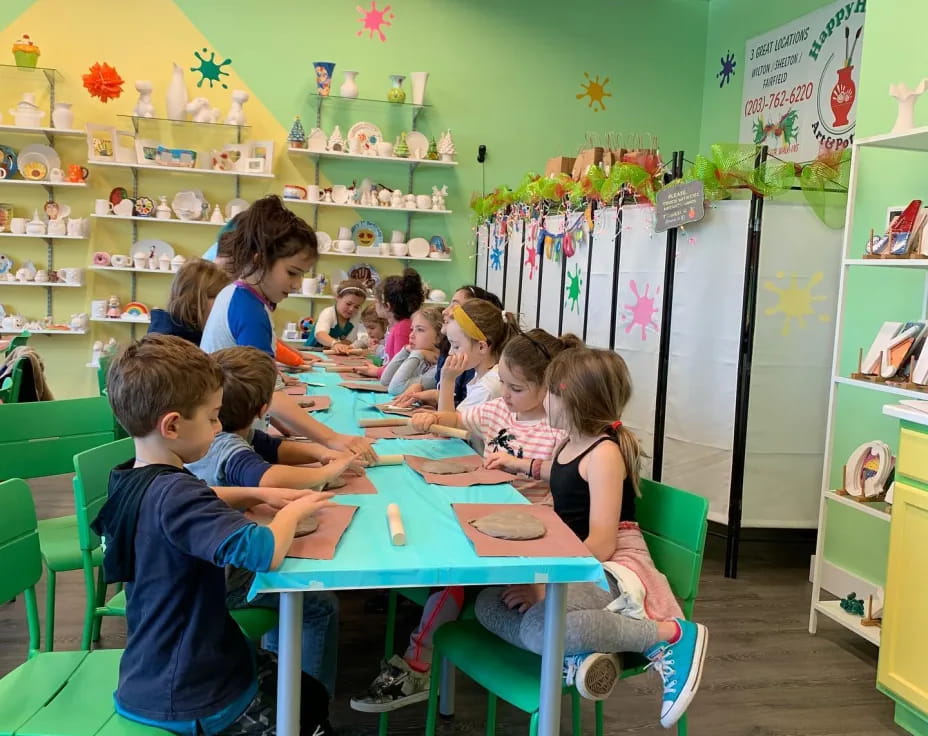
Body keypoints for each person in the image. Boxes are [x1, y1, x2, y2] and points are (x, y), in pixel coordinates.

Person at [91, 334, 335, 734]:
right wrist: (293, 511)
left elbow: (195, 497)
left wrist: (258, 492)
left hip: (150, 670)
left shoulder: (132, 476)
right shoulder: (178, 493)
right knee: (307, 710)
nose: (219, 426)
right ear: (172, 425)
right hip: (190, 692)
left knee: (302, 689)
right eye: (212, 417)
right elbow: (263, 552)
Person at [476, 348, 709, 728]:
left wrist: (545, 586)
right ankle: (579, 655)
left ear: (572, 399)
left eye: (548, 392)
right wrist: (521, 465)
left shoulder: (604, 454)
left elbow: (602, 543)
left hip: (609, 564)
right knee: (488, 601)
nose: (541, 400)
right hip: (575, 556)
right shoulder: (570, 440)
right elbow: (563, 475)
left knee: (539, 626)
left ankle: (671, 635)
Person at [350, 329, 577, 713]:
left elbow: (570, 478)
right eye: (503, 383)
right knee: (436, 549)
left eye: (516, 388)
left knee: (452, 578)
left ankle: (417, 666)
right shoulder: (499, 411)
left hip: (526, 536)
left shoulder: (559, 427)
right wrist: (434, 413)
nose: (505, 394)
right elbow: (453, 417)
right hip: (479, 516)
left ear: (549, 387)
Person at [186, 346, 362, 696]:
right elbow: (265, 476)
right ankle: (305, 702)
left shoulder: (234, 434)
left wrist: (319, 452)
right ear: (264, 408)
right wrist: (328, 471)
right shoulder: (228, 448)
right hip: (221, 580)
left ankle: (277, 668)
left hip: (212, 561)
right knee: (319, 605)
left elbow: (274, 449)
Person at [199, 195, 375, 462]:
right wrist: (333, 438)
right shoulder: (249, 308)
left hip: (230, 434)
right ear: (259, 260)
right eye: (292, 273)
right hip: (224, 447)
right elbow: (268, 392)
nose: (296, 284)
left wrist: (287, 425)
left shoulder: (243, 296)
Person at [393, 285, 503, 409]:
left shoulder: (486, 388)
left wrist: (447, 381)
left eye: (456, 346)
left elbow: (448, 423)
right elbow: (456, 418)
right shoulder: (479, 377)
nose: (451, 352)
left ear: (482, 347)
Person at [354, 269, 424, 378]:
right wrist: (379, 368)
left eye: (377, 301)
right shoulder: (396, 327)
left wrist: (376, 372)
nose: (375, 304)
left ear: (387, 306)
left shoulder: (402, 329)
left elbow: (398, 369)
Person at [148, 258, 230, 346]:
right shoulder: (170, 345)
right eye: (220, 298)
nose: (225, 305)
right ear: (194, 303)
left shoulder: (187, 333)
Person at [379, 306, 443, 395]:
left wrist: (418, 353)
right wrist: (405, 350)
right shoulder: (422, 359)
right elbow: (385, 380)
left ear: (439, 337)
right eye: (412, 329)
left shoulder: (439, 368)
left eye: (420, 330)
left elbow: (395, 389)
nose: (411, 335)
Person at [304, 279, 367, 353]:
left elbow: (349, 341)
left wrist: (345, 347)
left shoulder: (356, 316)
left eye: (357, 307)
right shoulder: (328, 312)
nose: (351, 309)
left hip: (332, 354)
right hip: (313, 352)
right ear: (338, 298)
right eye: (348, 304)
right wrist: (334, 344)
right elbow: (320, 334)